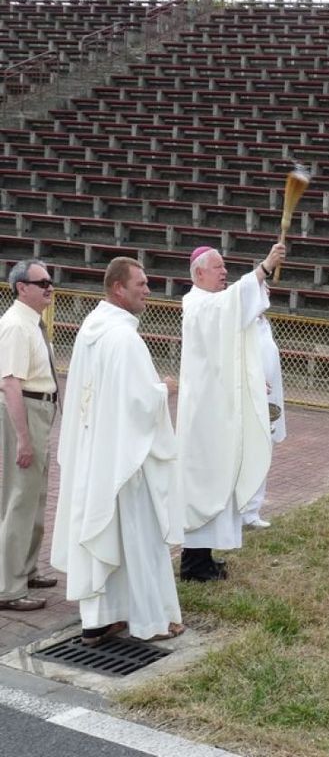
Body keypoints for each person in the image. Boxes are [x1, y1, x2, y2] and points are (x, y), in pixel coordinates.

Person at [51, 258, 184, 644]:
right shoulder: (124, 339)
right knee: (139, 538)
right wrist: (165, 390)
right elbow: (139, 404)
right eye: (140, 283)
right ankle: (151, 620)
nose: (147, 289)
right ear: (117, 288)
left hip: (96, 453)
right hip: (126, 459)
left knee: (103, 533)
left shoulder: (90, 331)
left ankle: (100, 619)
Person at [176, 243, 284, 581]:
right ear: (199, 273)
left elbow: (231, 351)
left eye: (225, 267)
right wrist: (264, 267)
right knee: (203, 486)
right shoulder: (197, 305)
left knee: (218, 481)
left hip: (217, 411)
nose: (225, 272)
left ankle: (205, 558)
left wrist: (251, 381)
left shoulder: (212, 305)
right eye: (218, 267)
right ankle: (193, 564)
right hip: (204, 417)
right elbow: (233, 303)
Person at [0, 260, 58, 612]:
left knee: (35, 496)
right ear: (22, 287)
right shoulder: (15, 327)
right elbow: (10, 385)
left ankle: (26, 569)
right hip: (26, 412)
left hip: (40, 410)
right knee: (20, 499)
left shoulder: (31, 324)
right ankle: (8, 586)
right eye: (43, 282)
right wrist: (23, 437)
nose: (50, 287)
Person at [243, 313, 286, 530]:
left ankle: (252, 510)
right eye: (263, 290)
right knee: (247, 455)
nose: (267, 294)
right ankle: (241, 510)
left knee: (263, 452)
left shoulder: (264, 323)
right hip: (247, 397)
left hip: (266, 397)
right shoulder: (243, 322)